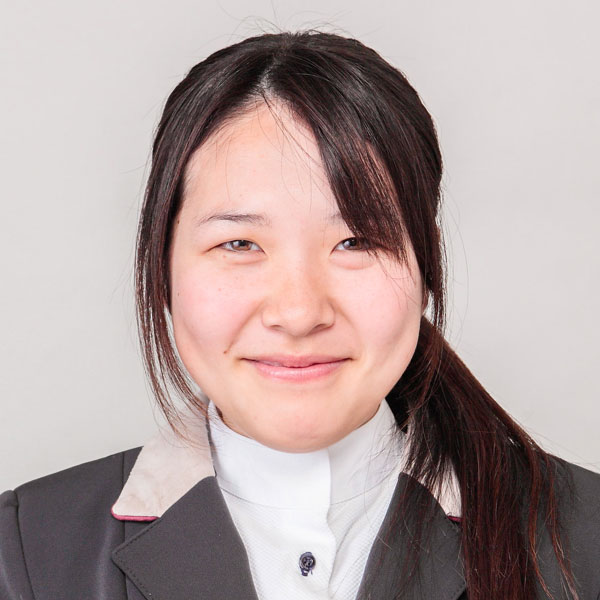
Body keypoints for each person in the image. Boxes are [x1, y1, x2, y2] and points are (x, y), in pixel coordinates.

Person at [1, 29, 599, 600]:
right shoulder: (25, 554)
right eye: (239, 244)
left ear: (426, 267)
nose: (298, 313)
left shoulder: (585, 541)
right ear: (162, 267)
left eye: (356, 242)